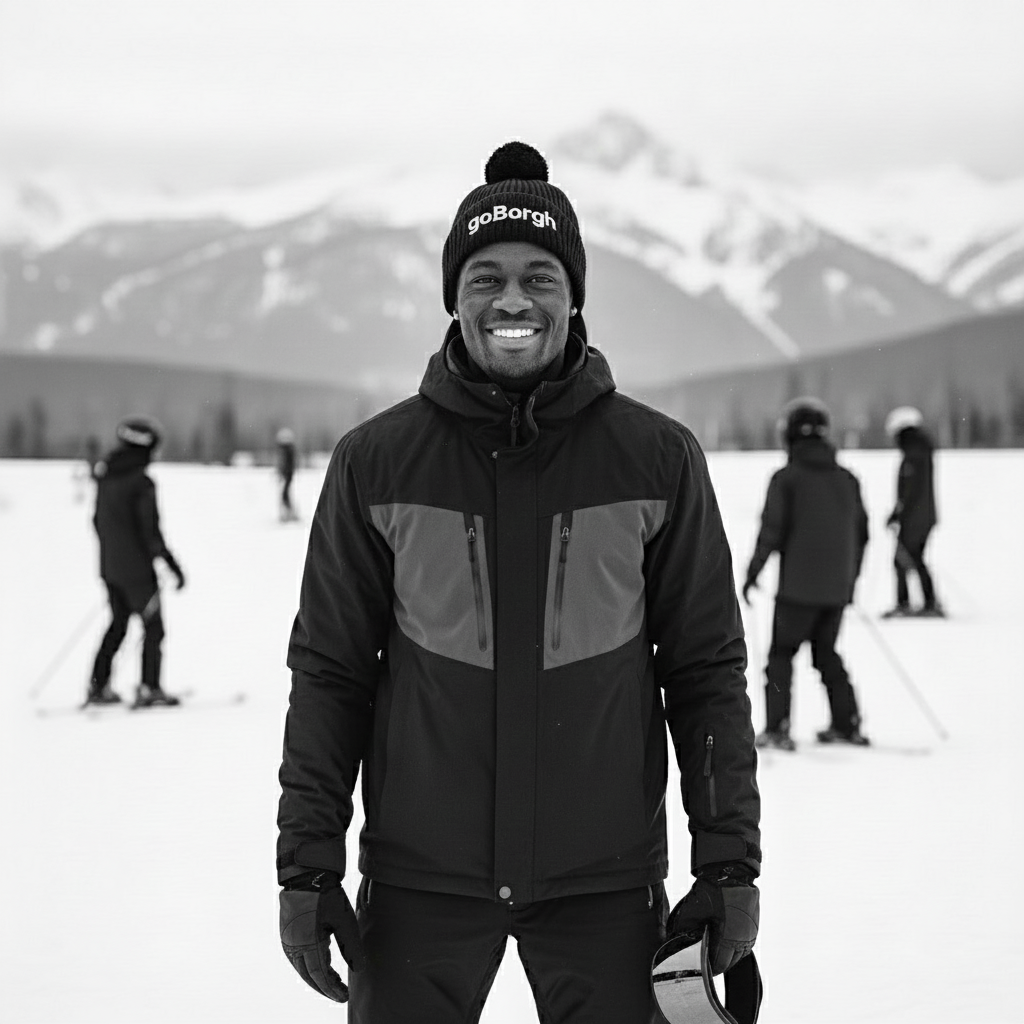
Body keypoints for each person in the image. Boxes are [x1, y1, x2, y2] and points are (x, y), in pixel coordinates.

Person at [277, 142, 761, 1023]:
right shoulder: (376, 464)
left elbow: (705, 673)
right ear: (453, 298)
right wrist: (307, 865)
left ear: (574, 297)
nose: (512, 300)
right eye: (485, 276)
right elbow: (330, 674)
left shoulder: (657, 460)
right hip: (422, 882)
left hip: (605, 887)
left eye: (540, 277)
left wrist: (728, 865)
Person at [742, 397, 870, 750]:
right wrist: (850, 582)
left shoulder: (787, 479)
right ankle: (847, 724)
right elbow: (862, 535)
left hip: (797, 592)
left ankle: (778, 728)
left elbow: (771, 531)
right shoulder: (848, 479)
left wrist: (752, 573)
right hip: (835, 592)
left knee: (781, 657)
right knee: (827, 655)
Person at [86, 416, 186, 708]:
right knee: (153, 628)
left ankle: (98, 686)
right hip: (137, 572)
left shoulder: (107, 477)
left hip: (109, 568)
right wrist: (171, 564)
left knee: (117, 624)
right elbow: (150, 531)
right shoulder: (141, 483)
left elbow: (97, 522)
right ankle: (149, 687)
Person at [882, 406, 943, 618]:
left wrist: (899, 513)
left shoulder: (913, 455)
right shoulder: (921, 451)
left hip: (915, 518)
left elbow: (910, 491)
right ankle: (929, 601)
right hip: (924, 515)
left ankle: (907, 603)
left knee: (902, 560)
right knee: (915, 559)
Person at [276, 427, 299, 522]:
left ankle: (289, 514)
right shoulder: (288, 450)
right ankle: (289, 513)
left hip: (287, 475)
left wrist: (283, 473)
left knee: (285, 495)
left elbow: (286, 464)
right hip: (287, 475)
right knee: (285, 494)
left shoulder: (288, 451)